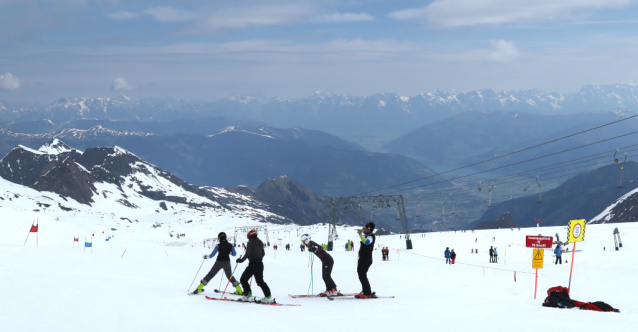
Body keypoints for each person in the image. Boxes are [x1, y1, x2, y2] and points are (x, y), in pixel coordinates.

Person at [236, 230, 273, 303]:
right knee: (260, 282)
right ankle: (268, 297)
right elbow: (263, 254)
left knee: (243, 279)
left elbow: (247, 254)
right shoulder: (260, 243)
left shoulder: (250, 243)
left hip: (253, 264)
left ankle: (248, 296)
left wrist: (241, 260)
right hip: (260, 264)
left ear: (249, 236)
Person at [356, 222, 376, 298]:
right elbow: (365, 236)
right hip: (363, 258)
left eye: (366, 227)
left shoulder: (371, 236)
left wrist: (361, 235)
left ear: (369, 229)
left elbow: (366, 242)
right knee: (361, 274)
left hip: (366, 259)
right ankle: (366, 291)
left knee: (362, 275)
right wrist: (363, 232)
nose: (364, 228)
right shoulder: (368, 235)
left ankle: (367, 292)